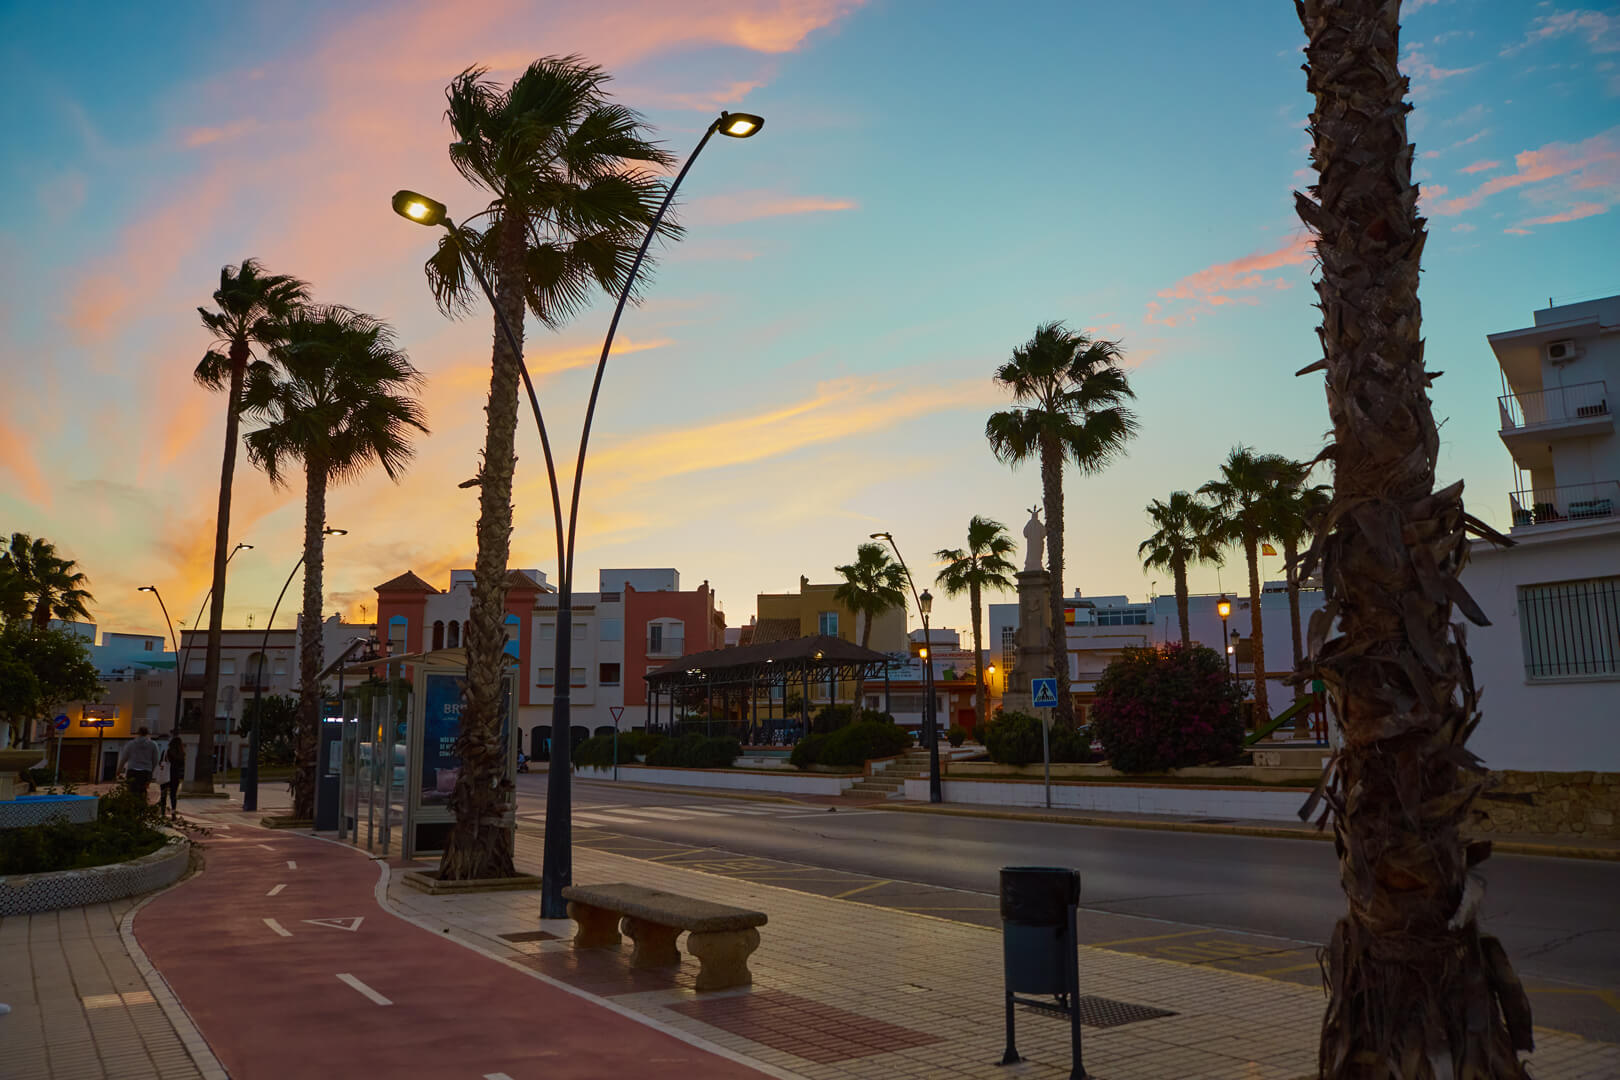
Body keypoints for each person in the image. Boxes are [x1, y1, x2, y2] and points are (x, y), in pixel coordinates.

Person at [117, 727, 161, 802]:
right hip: (146, 771)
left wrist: (119, 770)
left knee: (131, 791)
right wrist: (151, 770)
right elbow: (155, 760)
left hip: (132, 770)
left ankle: (132, 809)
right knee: (143, 791)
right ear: (147, 734)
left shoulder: (130, 744)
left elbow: (124, 758)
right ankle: (141, 808)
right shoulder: (153, 745)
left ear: (138, 733)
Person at [158, 733, 186, 816]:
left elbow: (160, 762)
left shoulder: (166, 752)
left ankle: (163, 812)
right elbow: (182, 766)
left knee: (163, 794)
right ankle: (173, 812)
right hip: (175, 776)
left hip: (165, 775)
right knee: (173, 795)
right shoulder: (181, 754)